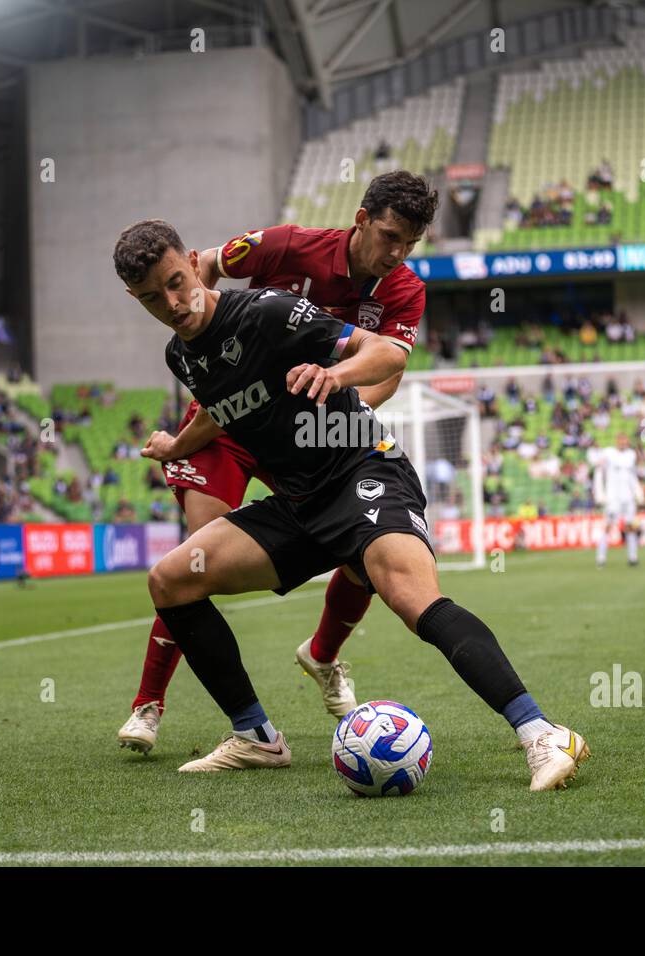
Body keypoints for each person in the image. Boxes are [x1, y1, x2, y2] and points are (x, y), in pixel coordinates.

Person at [114, 219, 590, 792]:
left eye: (175, 282)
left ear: (194, 263)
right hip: (297, 505)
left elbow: (383, 351)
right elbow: (220, 409)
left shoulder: (267, 312)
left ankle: (541, 732)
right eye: (150, 298)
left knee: (411, 598)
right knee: (171, 579)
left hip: (361, 470)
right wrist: (175, 444)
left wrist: (334, 372)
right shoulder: (182, 356)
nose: (172, 303)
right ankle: (256, 737)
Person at [118, 171, 436, 754]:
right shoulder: (286, 245)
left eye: (409, 243)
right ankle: (150, 703)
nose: (396, 253)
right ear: (362, 219)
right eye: (389, 235)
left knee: (365, 544)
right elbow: (206, 266)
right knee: (195, 561)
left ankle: (322, 656)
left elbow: (388, 368)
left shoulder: (405, 292)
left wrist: (328, 412)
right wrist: (198, 347)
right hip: (229, 416)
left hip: (314, 425)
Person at [593, 432, 643, 568]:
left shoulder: (631, 455)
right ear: (617, 441)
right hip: (612, 498)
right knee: (608, 527)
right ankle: (601, 558)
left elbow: (634, 474)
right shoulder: (608, 453)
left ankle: (633, 558)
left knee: (631, 527)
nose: (623, 443)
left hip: (628, 498)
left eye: (625, 440)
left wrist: (638, 492)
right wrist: (599, 492)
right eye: (621, 440)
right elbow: (598, 469)